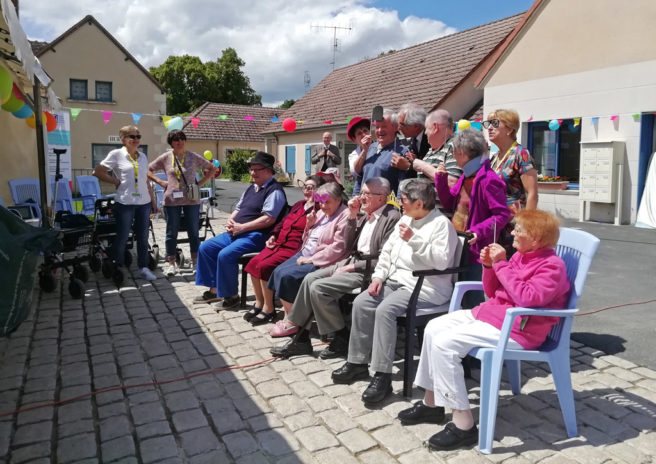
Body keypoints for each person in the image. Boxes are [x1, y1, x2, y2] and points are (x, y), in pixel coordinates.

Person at [397, 209, 570, 451]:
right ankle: (432, 403)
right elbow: (492, 291)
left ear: (538, 238)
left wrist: (501, 264)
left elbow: (527, 298)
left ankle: (463, 425)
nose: (513, 233)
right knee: (434, 327)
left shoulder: (552, 266)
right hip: (493, 316)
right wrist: (490, 267)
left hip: (518, 331)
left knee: (445, 344)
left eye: (519, 230)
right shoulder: (522, 256)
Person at [331, 179, 458, 404]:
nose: (400, 203)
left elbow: (441, 262)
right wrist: (379, 277)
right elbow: (387, 252)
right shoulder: (407, 218)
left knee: (385, 311)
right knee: (362, 302)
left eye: (404, 200)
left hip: (424, 287)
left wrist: (414, 240)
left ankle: (383, 376)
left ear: (419, 203)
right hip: (396, 281)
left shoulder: (441, 225)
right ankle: (358, 363)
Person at [270, 177, 401, 358]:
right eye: (361, 192)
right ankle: (302, 339)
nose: (361, 197)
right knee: (309, 280)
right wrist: (353, 217)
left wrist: (351, 267)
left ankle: (341, 336)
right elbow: (348, 245)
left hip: (367, 269)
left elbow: (384, 258)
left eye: (366, 194)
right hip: (350, 261)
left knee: (318, 288)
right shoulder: (364, 213)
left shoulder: (391, 217)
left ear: (381, 197)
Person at [194, 152, 287, 310]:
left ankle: (231, 296)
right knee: (206, 248)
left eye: (257, 169)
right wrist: (231, 220)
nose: (252, 173)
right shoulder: (252, 188)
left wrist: (242, 227)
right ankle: (215, 290)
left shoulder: (274, 191)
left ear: (268, 171)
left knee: (225, 255)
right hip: (238, 232)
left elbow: (268, 219)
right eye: (251, 169)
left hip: (257, 236)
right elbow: (239, 208)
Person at [435, 129, 511, 307]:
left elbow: (502, 215)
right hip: (459, 244)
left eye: (453, 152)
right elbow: (449, 203)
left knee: (472, 297)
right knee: (459, 293)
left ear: (460, 153)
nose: (453, 156)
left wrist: (477, 231)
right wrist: (441, 180)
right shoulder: (467, 175)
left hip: (475, 248)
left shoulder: (488, 179)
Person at [267, 182, 351, 337]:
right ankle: (291, 317)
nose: (323, 206)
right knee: (277, 272)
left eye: (327, 202)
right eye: (321, 202)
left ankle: (293, 322)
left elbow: (338, 248)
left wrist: (312, 259)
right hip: (305, 253)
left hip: (324, 260)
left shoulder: (344, 216)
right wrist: (309, 226)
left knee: (288, 276)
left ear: (338, 200)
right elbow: (309, 238)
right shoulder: (320, 213)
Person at [243, 174, 326, 325]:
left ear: (319, 190)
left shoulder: (321, 208)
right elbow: (282, 222)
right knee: (254, 262)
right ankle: (259, 303)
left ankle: (269, 308)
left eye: (311, 188)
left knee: (264, 266)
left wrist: (319, 200)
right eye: (305, 187)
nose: (306, 191)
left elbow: (321, 224)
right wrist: (273, 235)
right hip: (279, 243)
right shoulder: (298, 205)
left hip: (294, 247)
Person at [93, 125, 157, 281]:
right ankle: (117, 266)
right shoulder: (116, 154)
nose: (136, 139)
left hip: (144, 202)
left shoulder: (142, 156)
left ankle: (143, 267)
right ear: (123, 139)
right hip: (125, 202)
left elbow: (145, 180)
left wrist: (154, 202)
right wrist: (115, 181)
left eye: (138, 136)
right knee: (122, 236)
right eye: (132, 136)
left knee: (143, 236)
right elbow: (98, 172)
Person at [148, 130, 216, 276]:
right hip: (171, 200)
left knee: (193, 231)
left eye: (181, 139)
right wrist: (160, 182)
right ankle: (171, 263)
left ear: (185, 141)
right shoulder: (166, 157)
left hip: (191, 200)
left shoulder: (192, 156)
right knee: (171, 232)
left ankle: (196, 262)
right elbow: (148, 170)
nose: (179, 142)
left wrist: (200, 184)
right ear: (171, 142)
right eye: (175, 139)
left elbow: (212, 168)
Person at [484, 109, 538, 212]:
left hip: (514, 223)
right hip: (494, 221)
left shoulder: (521, 154)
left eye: (495, 123)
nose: (489, 128)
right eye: (489, 124)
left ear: (509, 129)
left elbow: (532, 193)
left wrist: (526, 224)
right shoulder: (494, 157)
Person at [352, 108, 408, 196]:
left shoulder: (402, 151)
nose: (379, 130)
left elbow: (402, 185)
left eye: (384, 126)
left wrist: (397, 207)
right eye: (377, 127)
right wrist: (354, 198)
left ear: (395, 127)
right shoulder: (370, 148)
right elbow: (359, 177)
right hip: (364, 205)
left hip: (386, 207)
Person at [411, 109, 462, 188]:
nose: (425, 133)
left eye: (426, 128)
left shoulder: (455, 145)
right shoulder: (432, 149)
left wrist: (423, 167)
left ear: (435, 127)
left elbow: (453, 183)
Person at [393, 103, 430, 179]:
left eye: (402, 125)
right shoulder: (413, 138)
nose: (399, 128)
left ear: (416, 126)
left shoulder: (432, 139)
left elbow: (432, 171)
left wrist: (409, 166)